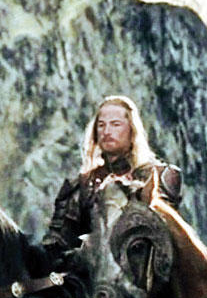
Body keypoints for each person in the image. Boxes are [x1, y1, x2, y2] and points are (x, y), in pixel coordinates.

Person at [43, 95, 182, 269]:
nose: (107, 131)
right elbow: (58, 242)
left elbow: (162, 236)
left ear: (132, 130)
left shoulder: (160, 176)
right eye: (101, 125)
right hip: (92, 274)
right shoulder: (82, 185)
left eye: (115, 124)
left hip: (145, 273)